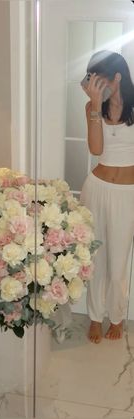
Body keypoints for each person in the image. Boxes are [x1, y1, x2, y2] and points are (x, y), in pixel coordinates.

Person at [80, 50, 134, 344]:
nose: (95, 85)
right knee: (96, 257)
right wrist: (95, 106)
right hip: (97, 188)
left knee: (118, 261)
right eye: (92, 80)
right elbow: (97, 150)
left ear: (117, 76)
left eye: (100, 79)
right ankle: (95, 317)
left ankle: (117, 316)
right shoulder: (92, 106)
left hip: (127, 194)